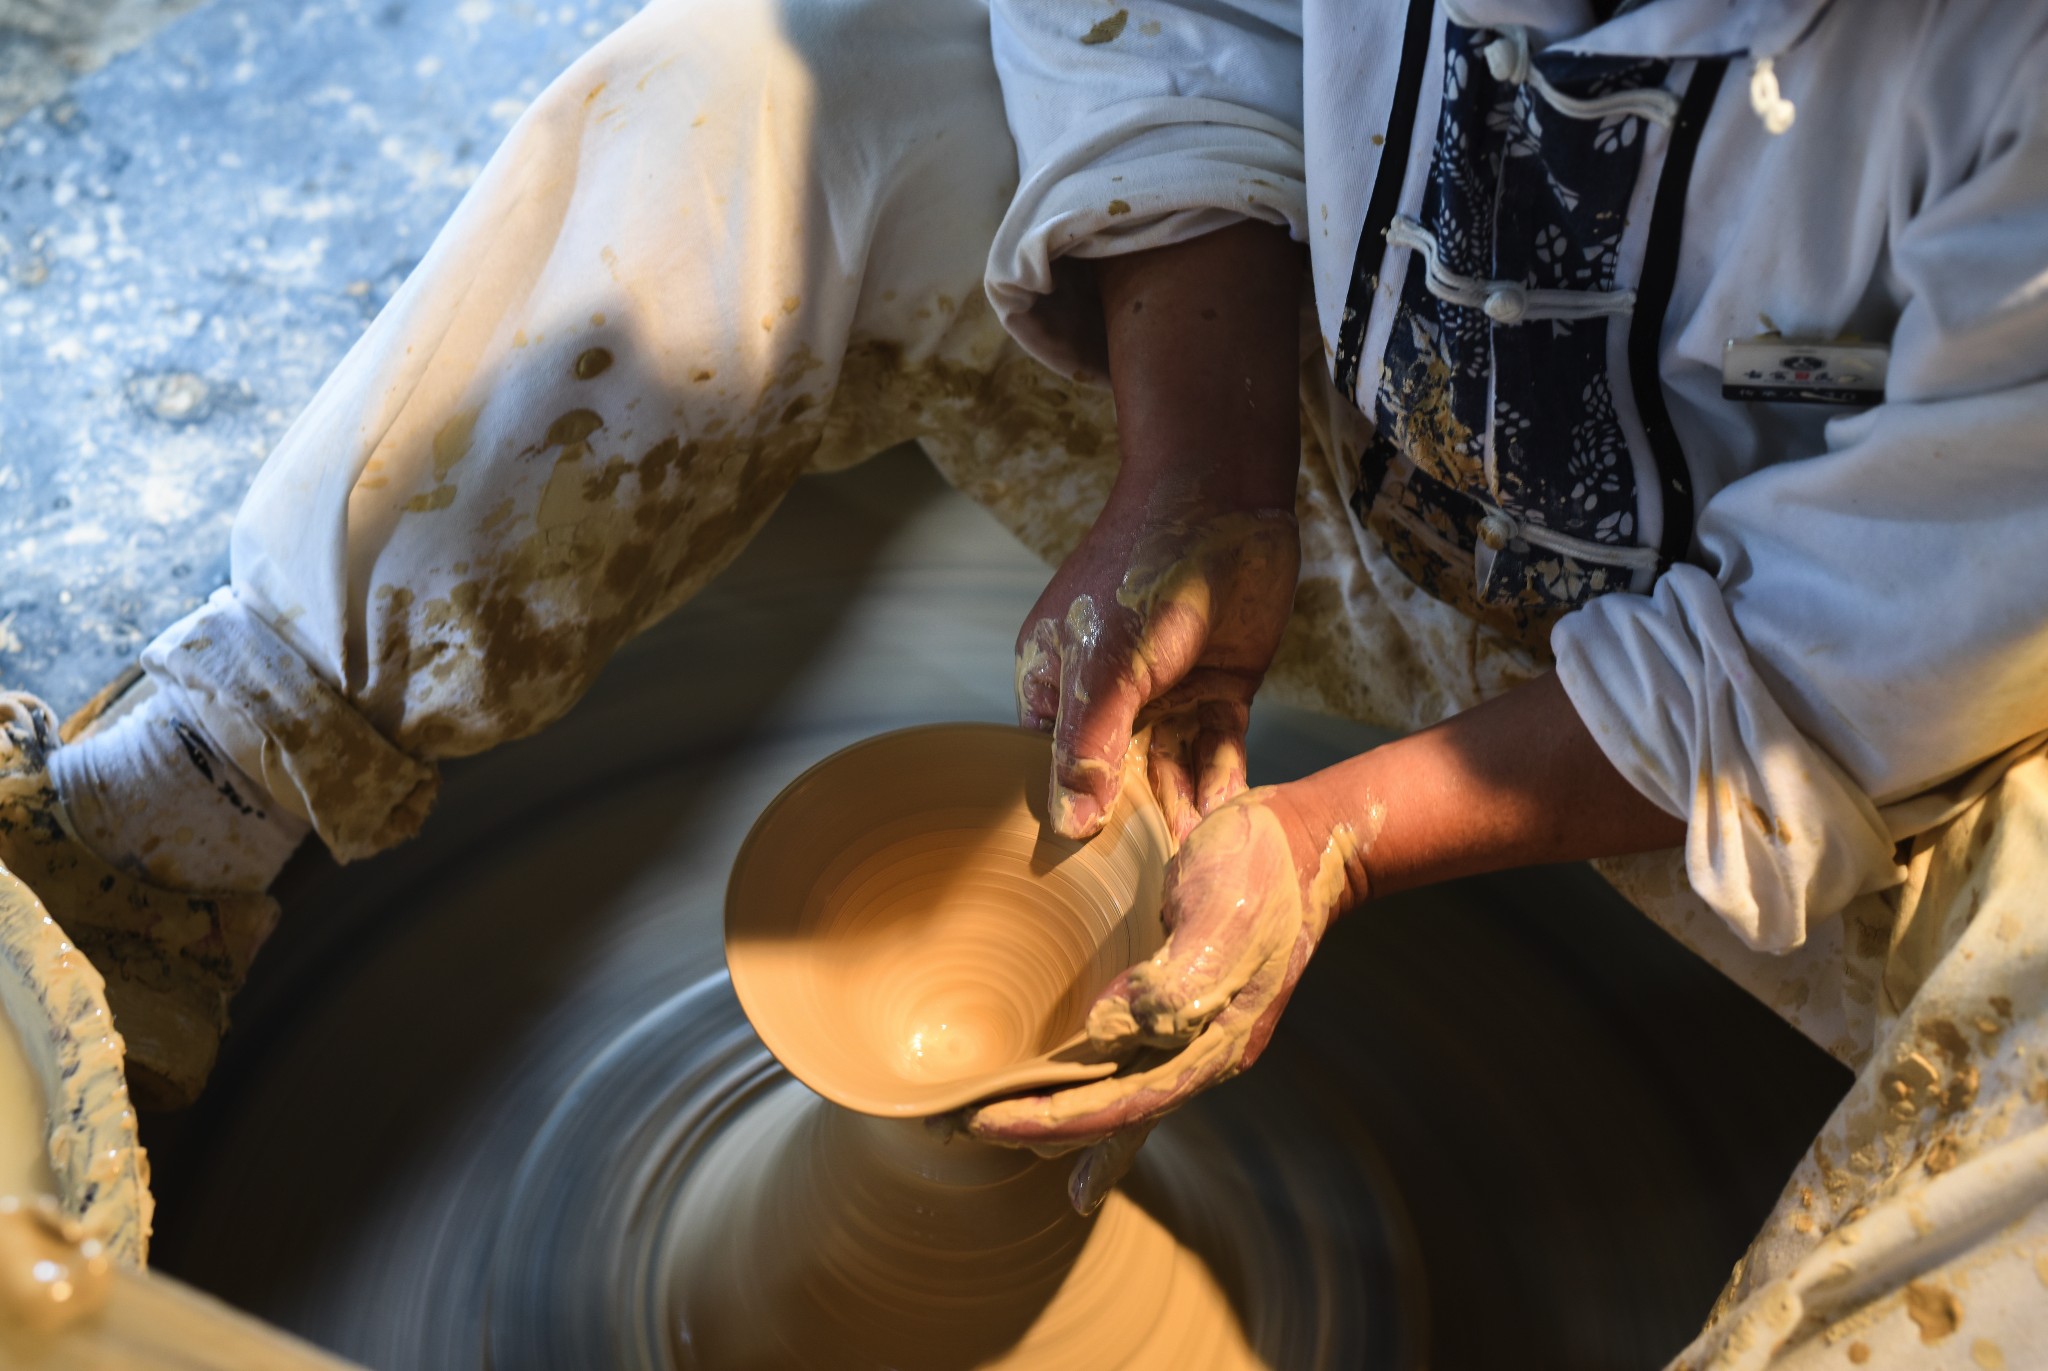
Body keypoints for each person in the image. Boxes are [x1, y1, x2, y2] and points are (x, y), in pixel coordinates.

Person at [2, 0, 2044, 1363]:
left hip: (1883, 739)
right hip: (1369, 439)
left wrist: (1327, 842)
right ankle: (183, 821)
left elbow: (1841, 644)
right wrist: (1196, 465)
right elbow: (1164, 23)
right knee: (771, 87)